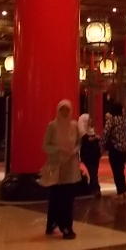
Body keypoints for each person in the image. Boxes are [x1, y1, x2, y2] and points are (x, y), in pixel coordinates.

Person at [42, 99, 81, 240]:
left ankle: (66, 227)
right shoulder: (52, 126)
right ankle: (53, 223)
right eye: (62, 109)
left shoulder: (74, 126)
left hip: (70, 166)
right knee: (56, 198)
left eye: (67, 110)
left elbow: (78, 143)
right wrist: (58, 150)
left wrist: (74, 151)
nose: (65, 112)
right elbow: (45, 146)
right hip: (56, 167)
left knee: (68, 199)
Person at [102, 104, 126, 198]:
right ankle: (123, 191)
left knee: (116, 171)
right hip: (124, 148)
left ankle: (120, 192)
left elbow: (105, 133)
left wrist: (102, 145)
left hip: (115, 148)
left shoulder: (112, 120)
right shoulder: (124, 120)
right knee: (121, 170)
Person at [80, 118, 102, 197]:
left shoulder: (92, 130)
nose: (90, 122)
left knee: (94, 172)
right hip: (88, 155)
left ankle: (93, 188)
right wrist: (96, 138)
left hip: (95, 155)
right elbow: (86, 140)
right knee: (93, 172)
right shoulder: (83, 132)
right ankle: (95, 189)